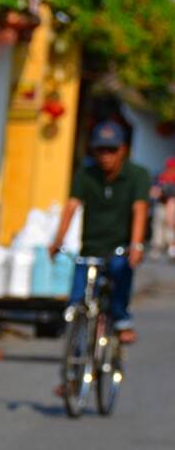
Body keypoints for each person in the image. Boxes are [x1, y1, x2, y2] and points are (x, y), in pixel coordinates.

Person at [49, 120, 150, 345]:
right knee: (78, 300)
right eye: (100, 150)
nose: (105, 156)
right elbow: (72, 205)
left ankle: (122, 321)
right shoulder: (86, 173)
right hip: (91, 248)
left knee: (120, 275)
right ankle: (75, 360)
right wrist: (57, 240)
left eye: (111, 150)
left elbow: (140, 209)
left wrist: (136, 245)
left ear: (122, 150)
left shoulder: (137, 175)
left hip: (119, 248)